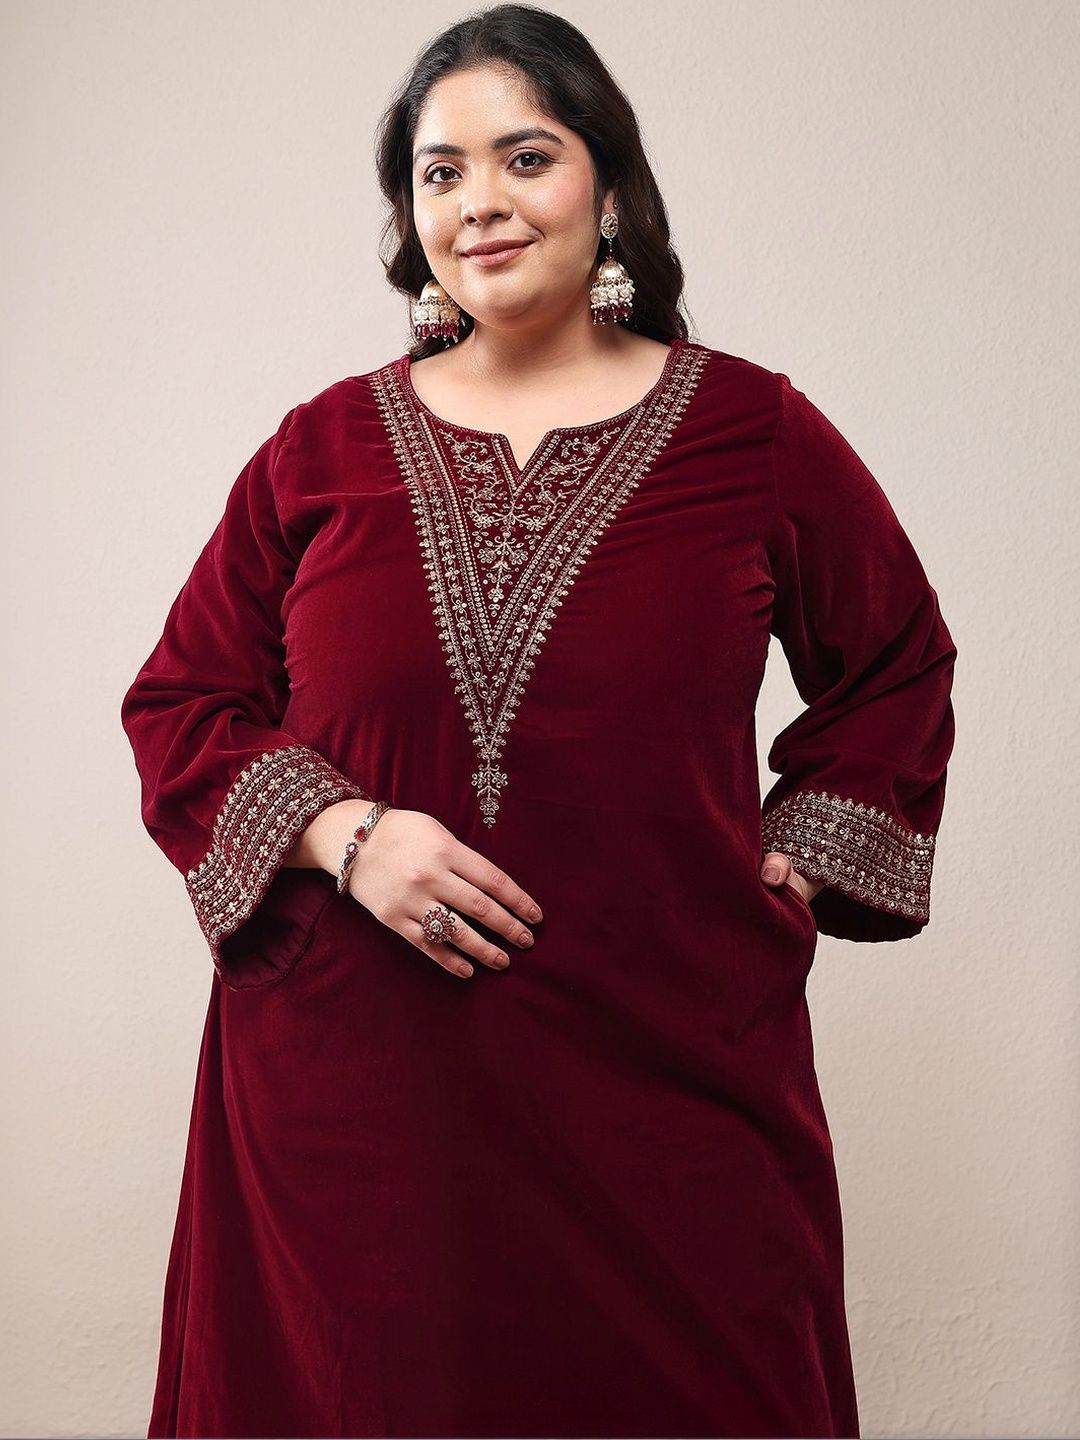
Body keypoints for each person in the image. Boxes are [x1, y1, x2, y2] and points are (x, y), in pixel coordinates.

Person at [120, 5, 958, 1437]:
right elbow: (183, 698)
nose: (480, 203)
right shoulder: (320, 447)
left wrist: (796, 863)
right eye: (439, 172)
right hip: (357, 1112)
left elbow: (898, 663)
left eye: (526, 157)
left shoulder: (751, 431)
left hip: (666, 1064)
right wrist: (344, 833)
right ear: (410, 219)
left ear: (609, 187)